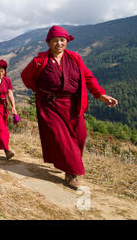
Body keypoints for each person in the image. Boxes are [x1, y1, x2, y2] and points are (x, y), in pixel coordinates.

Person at [21, 25, 118, 189]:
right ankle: (72, 174)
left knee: (80, 135)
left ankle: (67, 164)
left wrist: (100, 94)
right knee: (62, 139)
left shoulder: (74, 58)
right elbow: (26, 76)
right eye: (55, 41)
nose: (59, 44)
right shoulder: (39, 61)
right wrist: (38, 90)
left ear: (67, 41)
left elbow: (88, 77)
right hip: (50, 106)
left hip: (73, 105)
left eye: (62, 40)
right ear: (49, 43)